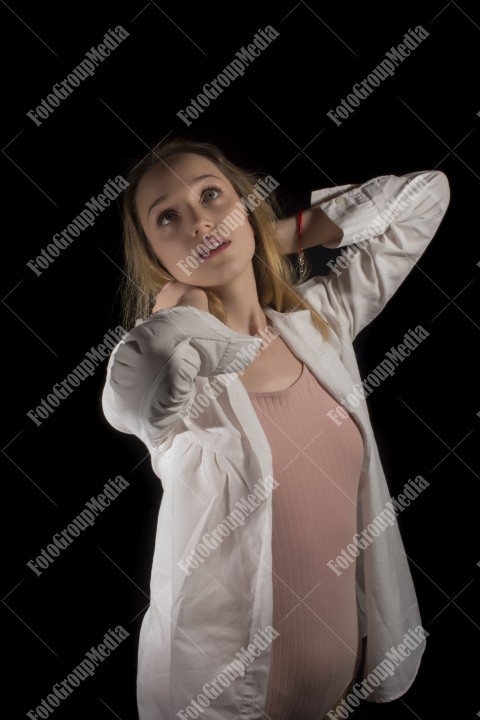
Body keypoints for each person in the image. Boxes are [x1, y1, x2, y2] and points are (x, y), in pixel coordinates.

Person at [101, 136, 450, 720]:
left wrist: (276, 234)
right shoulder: (179, 382)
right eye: (169, 218)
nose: (200, 222)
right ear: (156, 255)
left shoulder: (321, 324)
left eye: (213, 197)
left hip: (343, 695)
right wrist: (179, 300)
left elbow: (423, 197)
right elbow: (137, 386)